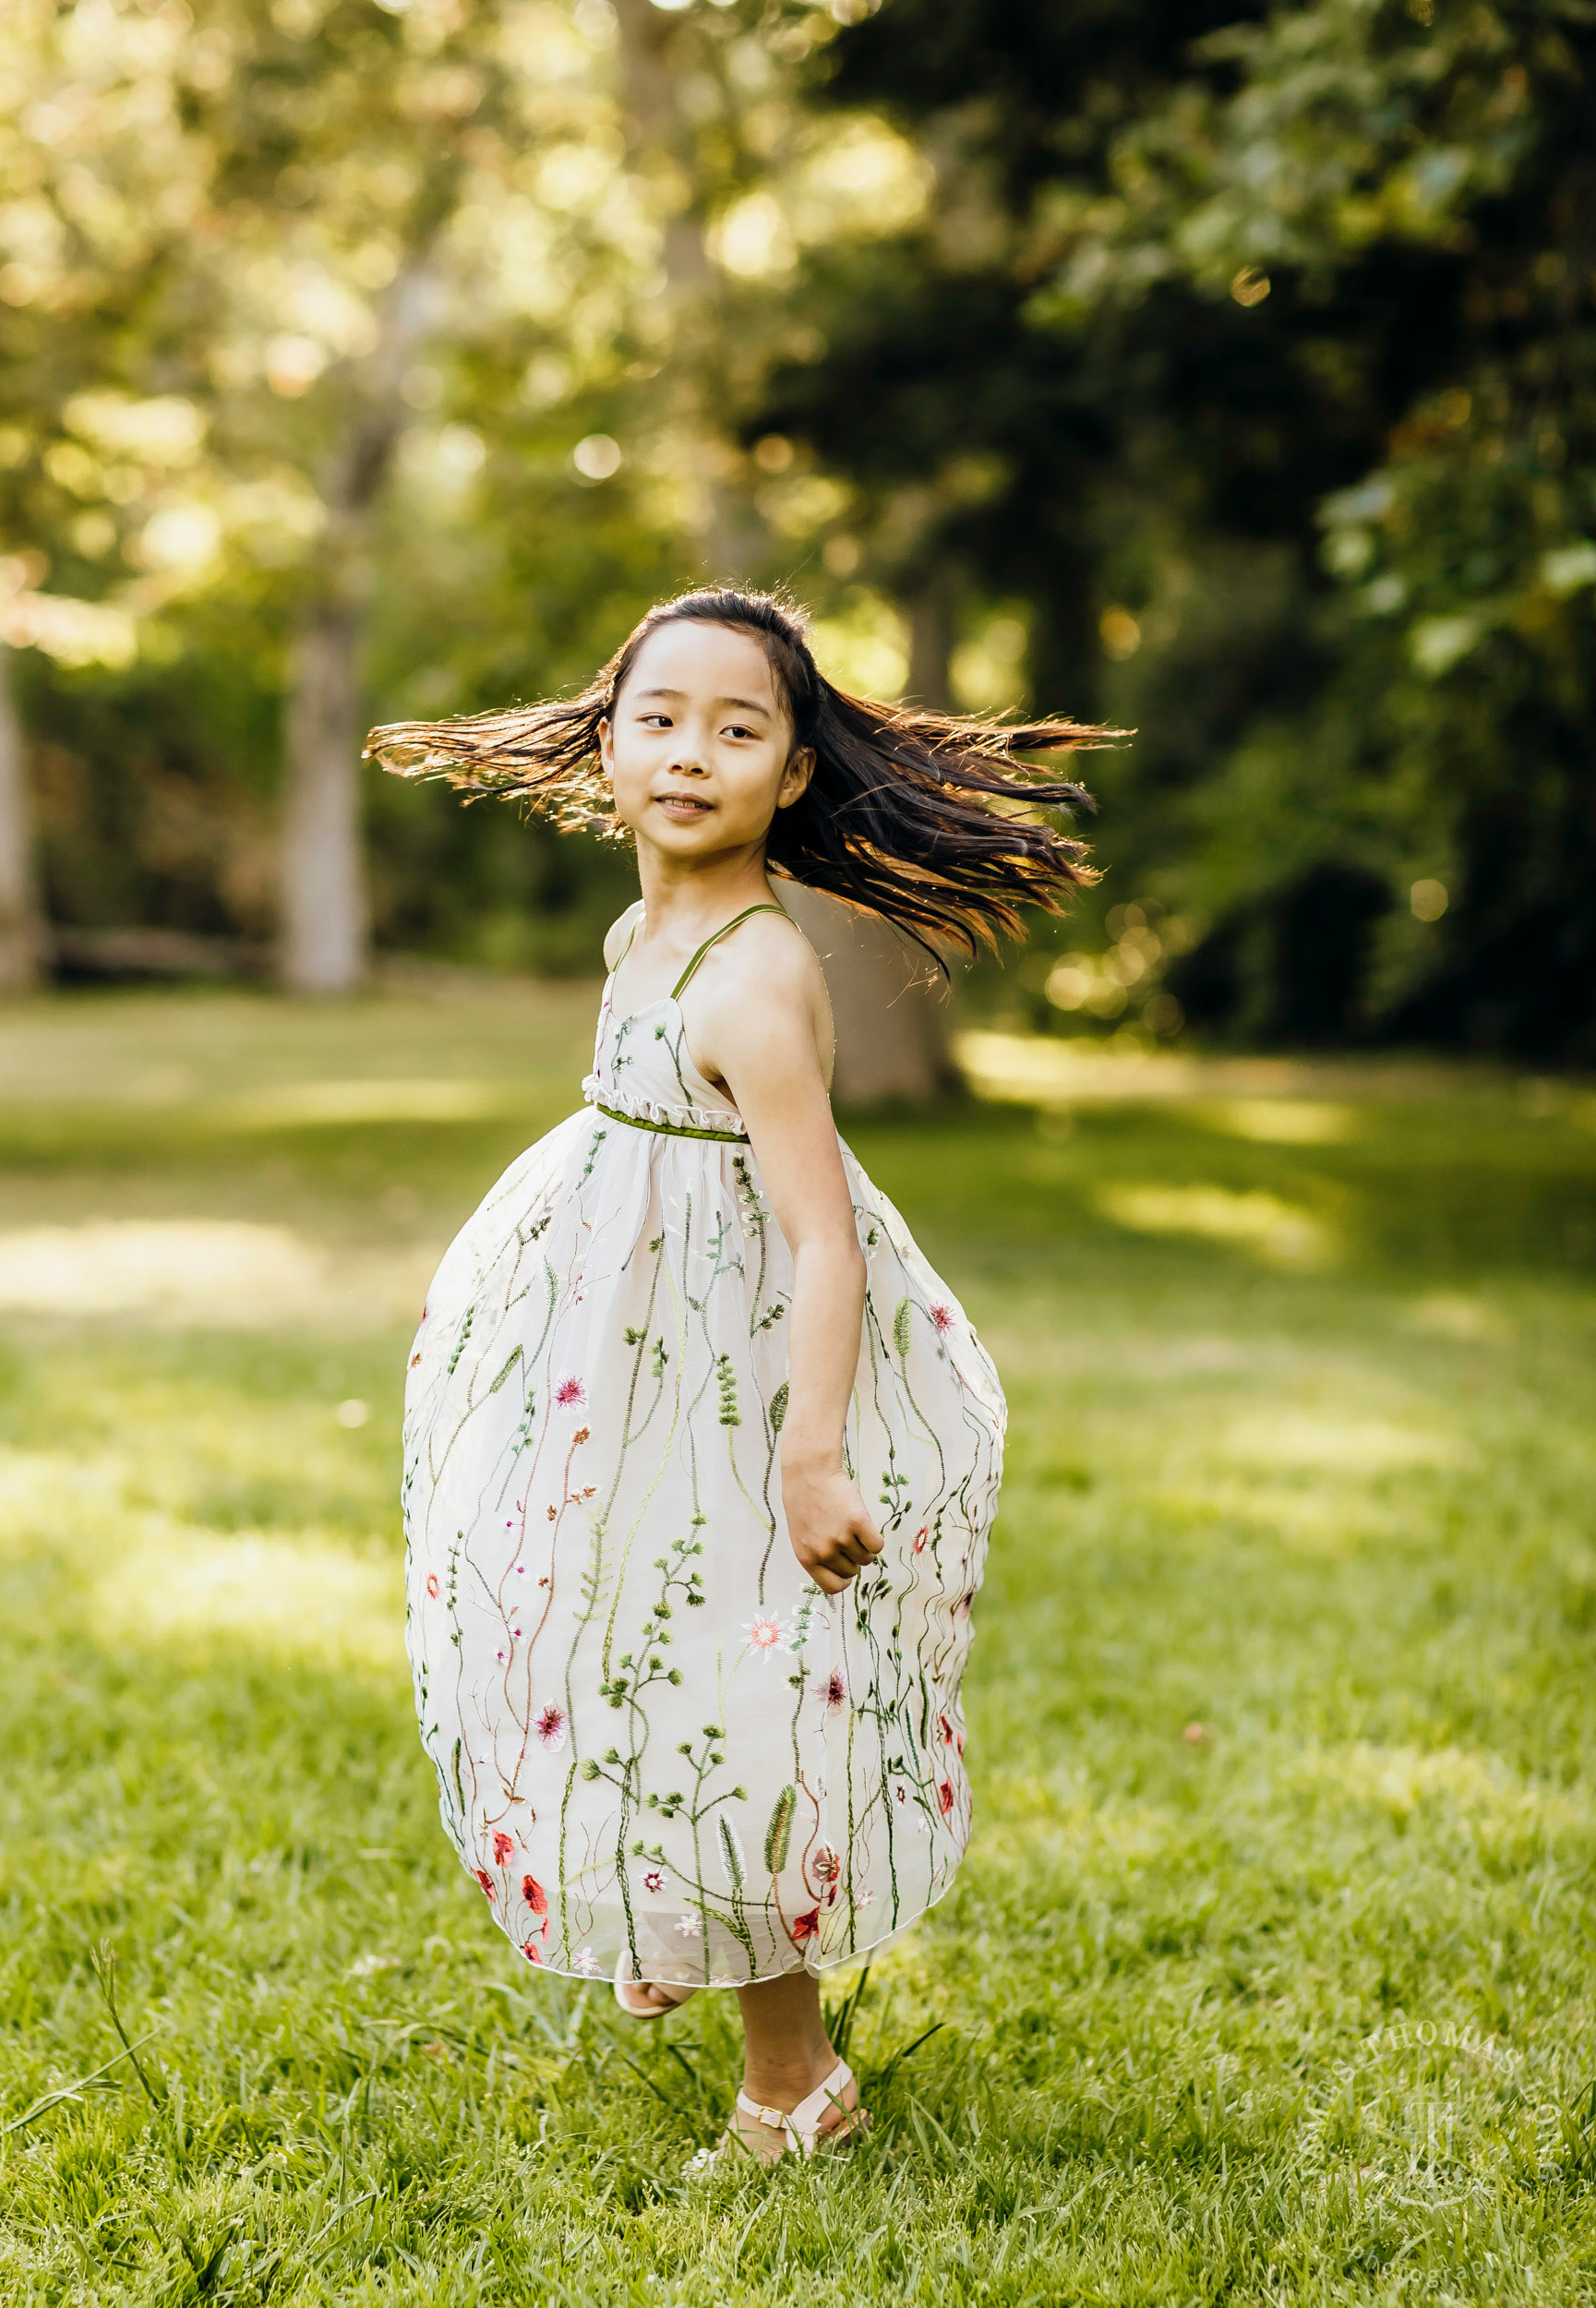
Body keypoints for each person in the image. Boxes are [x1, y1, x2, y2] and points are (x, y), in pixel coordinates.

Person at [366, 587, 1098, 2167]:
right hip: (623, 1368)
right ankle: (688, 1933)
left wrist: (812, 1450)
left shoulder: (760, 978)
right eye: (660, 718)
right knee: (604, 1633)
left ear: (791, 776)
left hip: (738, 1386)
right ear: (608, 743)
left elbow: (819, 1239)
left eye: (737, 728)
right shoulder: (642, 933)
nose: (691, 751)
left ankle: (792, 2080)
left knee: (726, 1689)